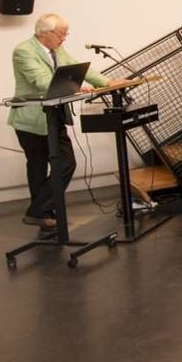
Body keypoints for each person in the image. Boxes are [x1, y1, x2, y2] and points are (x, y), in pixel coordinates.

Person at [9, 13, 125, 230]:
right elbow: (42, 80)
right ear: (44, 33)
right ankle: (43, 215)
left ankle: (38, 211)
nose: (64, 39)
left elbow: (80, 67)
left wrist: (108, 82)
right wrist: (76, 86)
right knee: (37, 167)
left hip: (54, 117)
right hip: (30, 120)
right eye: (61, 34)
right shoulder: (23, 51)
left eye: (65, 34)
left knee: (66, 162)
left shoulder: (58, 49)